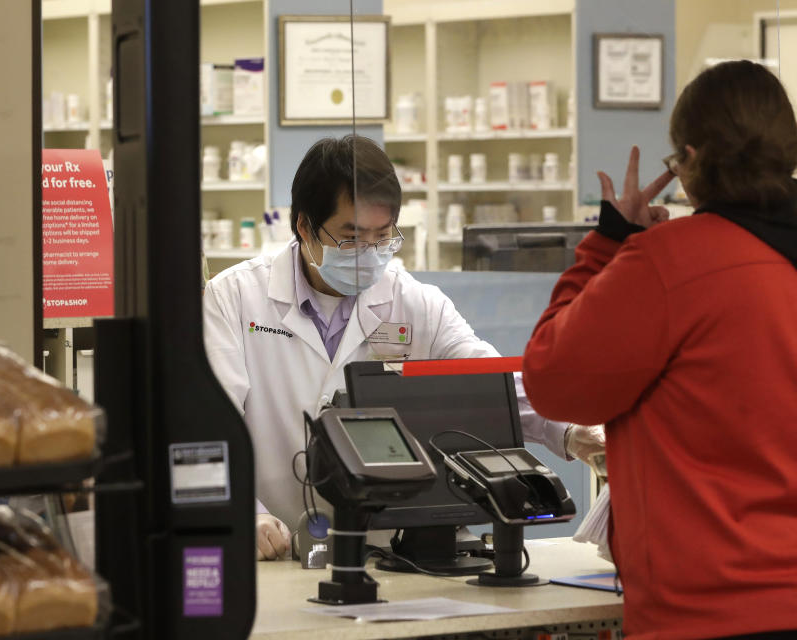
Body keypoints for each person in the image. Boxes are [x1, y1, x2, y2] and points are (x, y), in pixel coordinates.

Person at [203, 135, 603, 561]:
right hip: (275, 550)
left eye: (383, 237)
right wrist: (243, 512)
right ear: (304, 226)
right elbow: (204, 427)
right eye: (351, 238)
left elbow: (488, 382)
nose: (369, 255)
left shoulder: (414, 301)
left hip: (393, 555)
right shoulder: (234, 299)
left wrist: (570, 431)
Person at [522, 60, 797, 639]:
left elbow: (553, 380)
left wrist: (608, 244)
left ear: (691, 161)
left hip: (711, 610)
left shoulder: (674, 262)